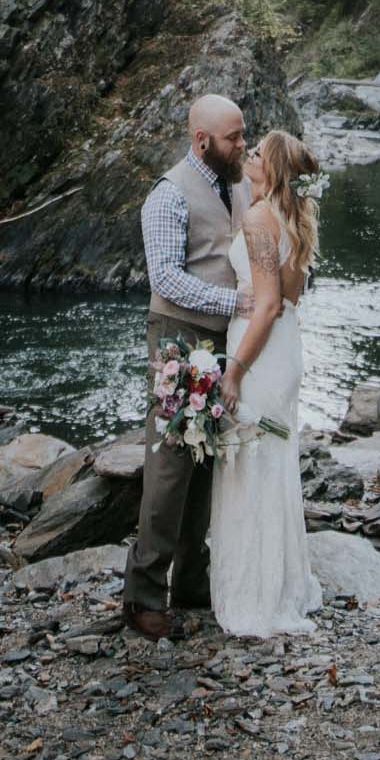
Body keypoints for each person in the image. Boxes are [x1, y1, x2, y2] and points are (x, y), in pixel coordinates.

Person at [121, 94, 249, 641]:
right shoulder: (168, 195)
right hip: (180, 340)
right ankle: (143, 597)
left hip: (226, 341)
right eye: (235, 138)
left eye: (244, 134)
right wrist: (237, 303)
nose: (244, 145)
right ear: (203, 141)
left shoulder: (240, 182)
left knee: (209, 460)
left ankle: (194, 583)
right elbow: (166, 279)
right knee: (172, 465)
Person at [209, 128, 324, 637]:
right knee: (271, 462)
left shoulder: (259, 219)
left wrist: (233, 371)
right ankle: (281, 584)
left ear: (271, 167)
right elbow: (291, 297)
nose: (249, 155)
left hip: (259, 349)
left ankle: (256, 596)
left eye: (256, 152)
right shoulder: (293, 214)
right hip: (284, 350)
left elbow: (270, 303)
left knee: (249, 464)